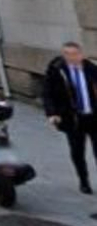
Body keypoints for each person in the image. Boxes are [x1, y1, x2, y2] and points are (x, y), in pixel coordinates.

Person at [42, 41, 97, 195]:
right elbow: (48, 94)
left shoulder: (91, 69)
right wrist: (52, 113)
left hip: (93, 116)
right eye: (68, 54)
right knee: (78, 152)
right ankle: (84, 181)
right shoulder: (57, 71)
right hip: (73, 118)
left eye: (75, 54)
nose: (73, 57)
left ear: (81, 54)